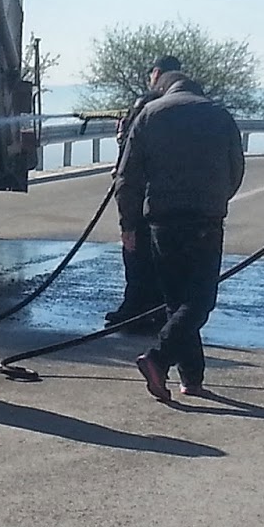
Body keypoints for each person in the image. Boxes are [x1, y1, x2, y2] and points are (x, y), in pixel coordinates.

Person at [115, 68, 244, 401]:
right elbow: (235, 170)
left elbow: (127, 177)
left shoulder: (149, 114)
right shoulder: (218, 115)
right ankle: (158, 359)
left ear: (163, 88)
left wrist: (128, 224)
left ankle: (192, 378)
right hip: (204, 219)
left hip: (160, 221)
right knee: (199, 302)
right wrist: (217, 198)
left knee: (177, 303)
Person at [103, 54, 181, 334]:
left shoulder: (146, 105)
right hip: (172, 195)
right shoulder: (188, 106)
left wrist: (121, 136)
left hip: (143, 192)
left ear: (157, 73)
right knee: (165, 257)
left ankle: (134, 309)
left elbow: (130, 151)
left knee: (136, 250)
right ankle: (160, 310)